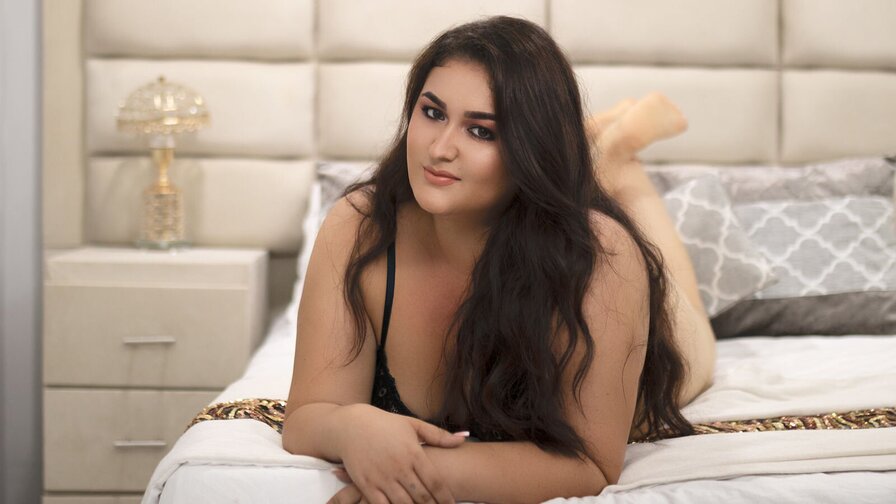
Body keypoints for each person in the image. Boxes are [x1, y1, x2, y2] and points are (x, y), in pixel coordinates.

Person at [282, 16, 715, 504]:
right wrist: (351, 427)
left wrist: (412, 474)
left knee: (693, 329)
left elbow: (592, 463)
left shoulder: (604, 256)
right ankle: (603, 155)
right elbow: (308, 416)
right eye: (432, 112)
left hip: (664, 342)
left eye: (481, 131)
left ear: (531, 149)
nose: (439, 149)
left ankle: (618, 159)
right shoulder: (359, 226)